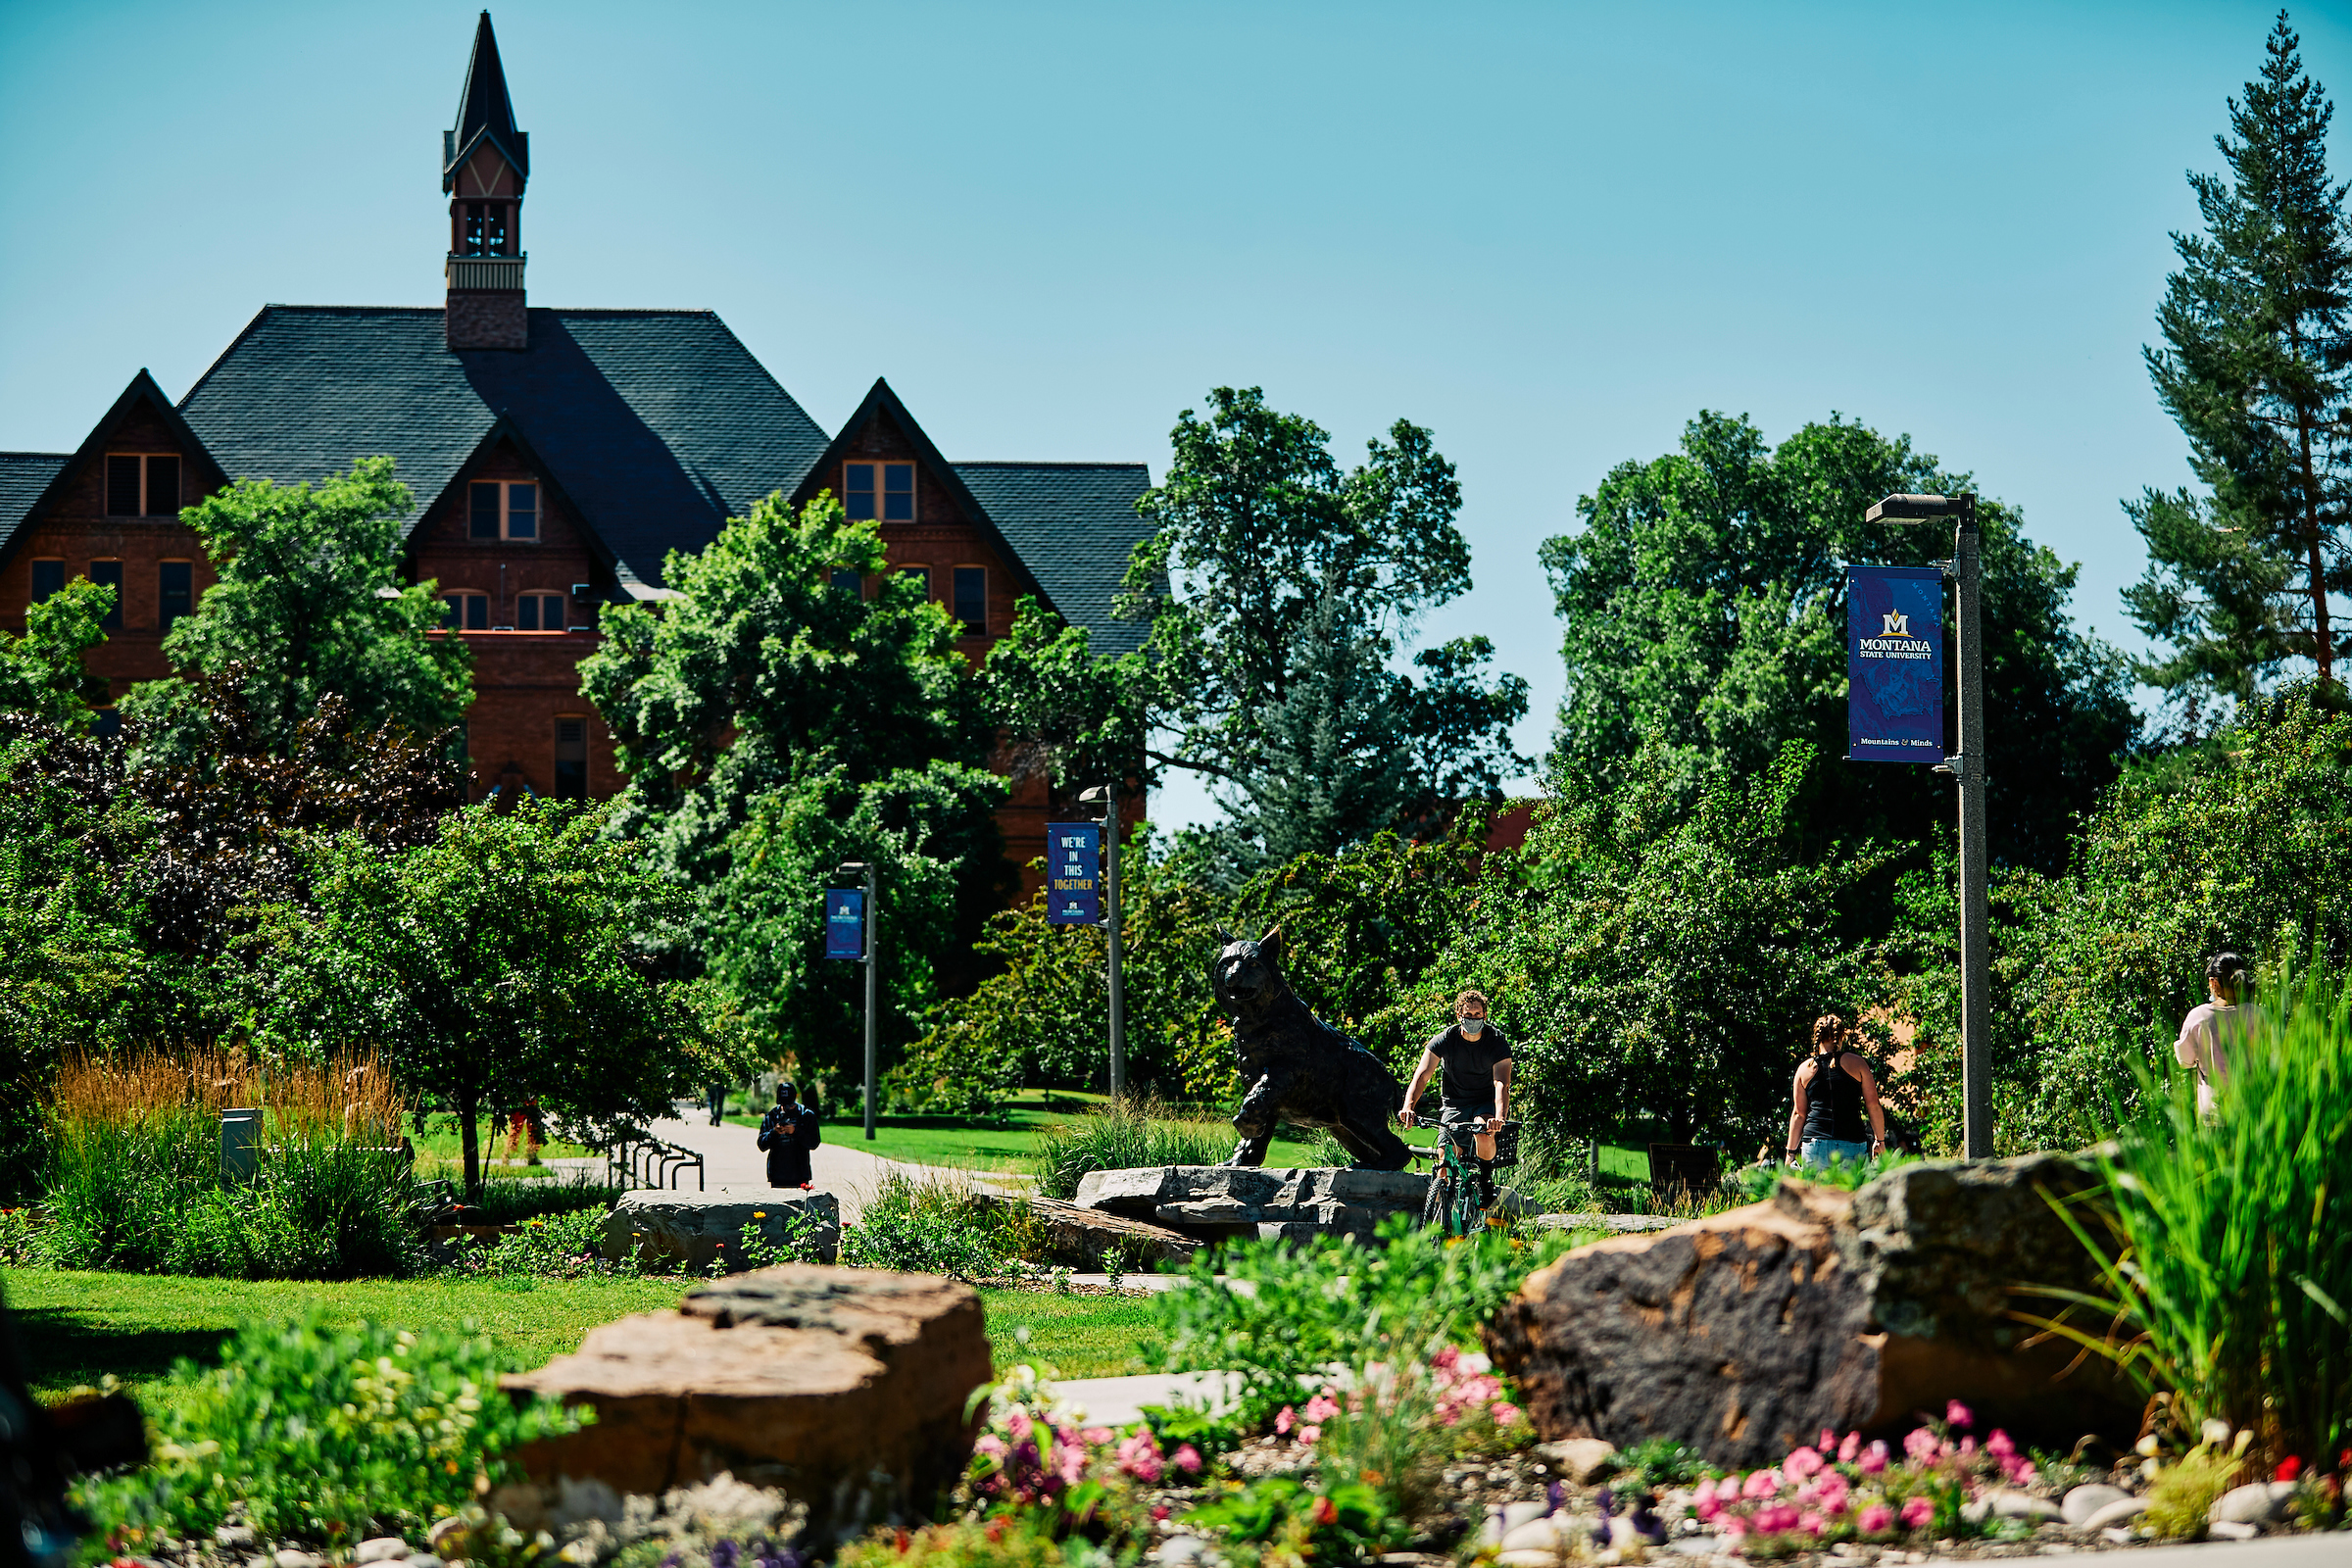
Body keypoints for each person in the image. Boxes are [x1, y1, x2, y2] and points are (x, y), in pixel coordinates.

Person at [1398, 990, 1513, 1212]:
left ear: (1485, 1015)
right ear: (1458, 1015)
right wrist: (1408, 1107)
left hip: (1485, 1102)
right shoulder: (1445, 1039)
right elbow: (1422, 1075)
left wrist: (1499, 1118)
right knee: (1445, 1157)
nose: (1473, 1019)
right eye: (1468, 1014)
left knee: (1483, 1132)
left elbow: (1501, 1083)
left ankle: (1485, 1181)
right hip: (1454, 1103)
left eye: (1477, 1014)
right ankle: (1443, 1212)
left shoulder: (1496, 1042)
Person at [1785, 1014, 1886, 1171]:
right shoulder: (1857, 1063)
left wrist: (1790, 1153)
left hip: (1815, 1143)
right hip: (1852, 1142)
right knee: (1850, 1194)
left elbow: (1799, 1114)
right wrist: (1880, 1140)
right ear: (1841, 1036)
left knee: (1818, 1195)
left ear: (1817, 1037)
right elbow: (1873, 1105)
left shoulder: (1804, 1069)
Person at [2175, 952, 2260, 1119]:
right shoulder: (2258, 1016)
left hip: (2214, 1109)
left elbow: (2185, 1060)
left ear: (2213, 982)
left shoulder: (2199, 1017)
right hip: (2253, 1109)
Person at [757, 1081, 821, 1189]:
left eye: (790, 1105)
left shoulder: (806, 1115)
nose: (787, 1109)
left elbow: (814, 1143)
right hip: (777, 1174)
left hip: (800, 1173)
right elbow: (762, 1145)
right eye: (784, 1105)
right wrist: (774, 1132)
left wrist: (795, 1131)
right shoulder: (772, 1116)